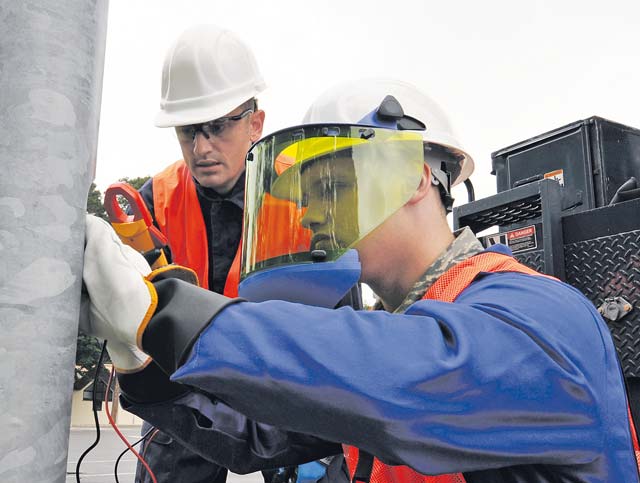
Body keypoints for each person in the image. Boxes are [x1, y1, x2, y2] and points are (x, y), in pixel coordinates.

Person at [81, 78, 640, 482]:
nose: (308, 216)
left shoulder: (546, 316)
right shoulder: (383, 338)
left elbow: (410, 373)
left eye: (332, 189)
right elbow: (257, 433)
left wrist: (165, 313)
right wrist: (144, 366)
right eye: (305, 197)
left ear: (417, 180)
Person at [129, 24, 304, 483]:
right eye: (189, 131)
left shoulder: (306, 195)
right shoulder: (157, 198)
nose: (201, 147)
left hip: (283, 382)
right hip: (190, 381)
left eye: (218, 126)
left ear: (255, 123)